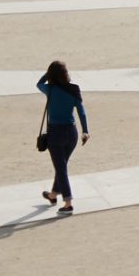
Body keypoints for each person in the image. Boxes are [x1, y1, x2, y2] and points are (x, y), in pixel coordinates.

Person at [36, 60, 90, 215]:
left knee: (61, 168)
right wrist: (85, 131)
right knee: (61, 166)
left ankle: (68, 203)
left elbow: (38, 83)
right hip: (72, 134)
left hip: (56, 134)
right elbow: (81, 111)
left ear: (52, 75)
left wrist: (47, 74)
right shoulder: (74, 90)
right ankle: (53, 195)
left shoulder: (50, 89)